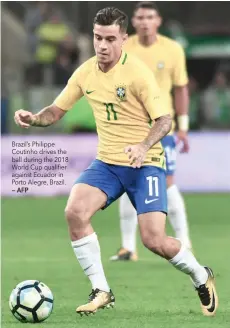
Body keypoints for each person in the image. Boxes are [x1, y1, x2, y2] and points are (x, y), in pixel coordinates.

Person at [14, 7, 218, 317]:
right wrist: (35, 118)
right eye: (98, 38)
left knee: (154, 240)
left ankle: (201, 275)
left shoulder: (137, 73)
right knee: (75, 212)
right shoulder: (85, 72)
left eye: (110, 39)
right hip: (108, 163)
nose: (103, 45)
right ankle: (102, 290)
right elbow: (56, 111)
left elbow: (164, 120)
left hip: (146, 162)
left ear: (123, 38)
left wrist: (142, 145)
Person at [110, 2, 192, 262]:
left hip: (161, 127)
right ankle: (127, 248)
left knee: (167, 181)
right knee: (126, 182)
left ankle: (184, 241)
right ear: (133, 22)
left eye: (149, 17)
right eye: (140, 17)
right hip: (129, 127)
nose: (144, 22)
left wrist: (184, 126)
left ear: (158, 21)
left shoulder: (172, 50)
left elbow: (181, 88)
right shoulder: (125, 48)